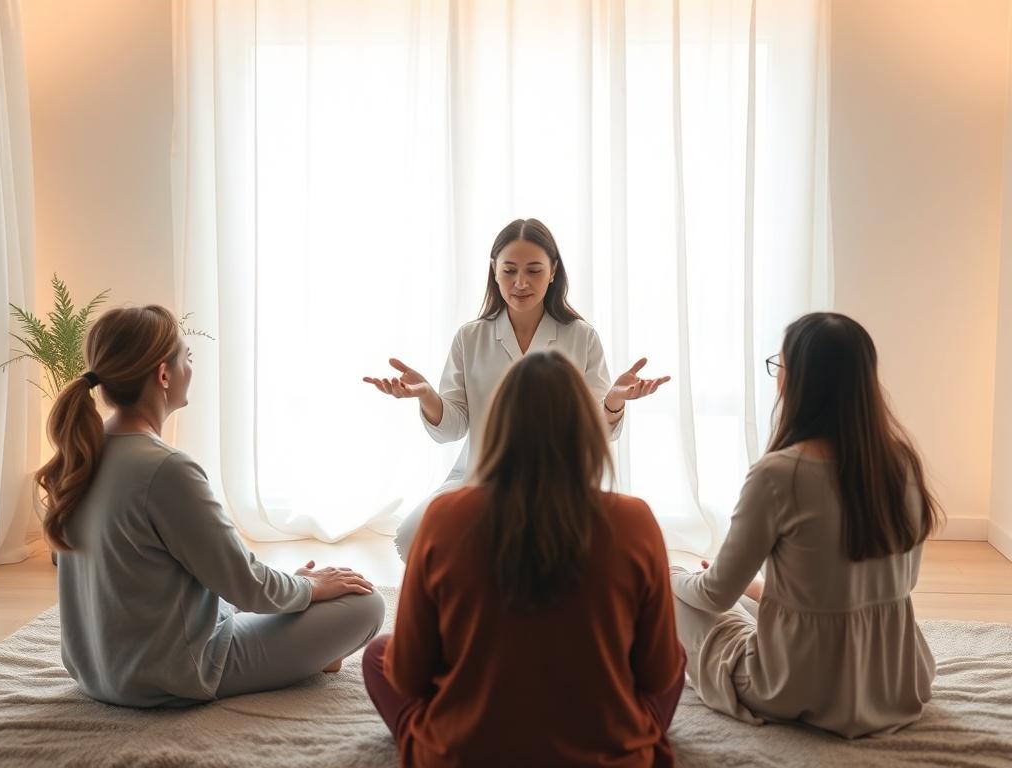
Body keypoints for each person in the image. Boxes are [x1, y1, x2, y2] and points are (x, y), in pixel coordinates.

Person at [37, 305, 385, 707]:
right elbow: (248, 586)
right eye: (188, 357)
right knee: (367, 604)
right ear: (163, 375)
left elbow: (166, 578)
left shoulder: (81, 454)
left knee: (275, 593)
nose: (191, 368)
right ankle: (315, 650)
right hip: (170, 674)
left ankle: (307, 637)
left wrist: (295, 590)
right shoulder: (165, 469)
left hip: (96, 673)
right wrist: (309, 588)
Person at [362, 350, 687, 767]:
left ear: (497, 428)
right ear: (586, 431)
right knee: (674, 654)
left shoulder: (444, 517)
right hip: (606, 758)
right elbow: (658, 673)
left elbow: (408, 676)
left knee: (379, 655)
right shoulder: (634, 520)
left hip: (464, 758)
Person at [671, 312, 941, 738]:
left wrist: (668, 573)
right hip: (897, 680)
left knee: (678, 594)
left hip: (791, 687)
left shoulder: (778, 474)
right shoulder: (901, 464)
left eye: (778, 366)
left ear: (795, 380)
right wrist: (754, 589)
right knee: (737, 597)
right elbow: (872, 585)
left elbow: (713, 594)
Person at [364, 218, 669, 560]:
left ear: (553, 272)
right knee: (413, 538)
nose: (520, 282)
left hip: (558, 482)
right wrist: (427, 396)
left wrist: (613, 402)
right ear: (494, 271)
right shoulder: (470, 337)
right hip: (479, 476)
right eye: (509, 271)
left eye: (534, 271)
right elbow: (452, 428)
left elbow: (596, 432)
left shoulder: (581, 337)